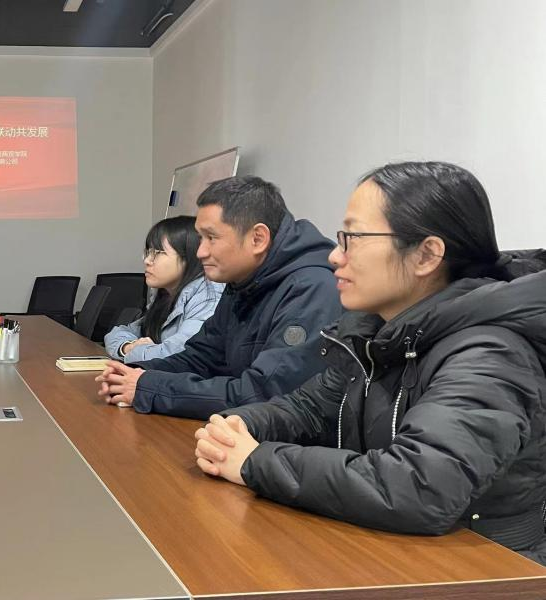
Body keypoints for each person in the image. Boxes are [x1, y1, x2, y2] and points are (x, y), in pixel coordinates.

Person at [194, 162, 546, 564]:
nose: (334, 256)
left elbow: (418, 486)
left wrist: (254, 462)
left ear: (426, 255)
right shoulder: (380, 334)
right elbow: (307, 408)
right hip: (393, 552)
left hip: (487, 571)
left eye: (354, 238)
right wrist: (239, 427)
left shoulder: (490, 354)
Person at [97, 176, 342, 419]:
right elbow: (202, 358)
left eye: (211, 238)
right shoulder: (243, 280)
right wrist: (134, 373)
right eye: (200, 238)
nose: (200, 252)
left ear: (257, 239)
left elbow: (264, 393)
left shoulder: (311, 289)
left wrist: (149, 388)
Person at [104, 216, 223, 362]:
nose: (147, 260)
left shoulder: (209, 296)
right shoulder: (165, 294)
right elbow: (119, 333)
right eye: (148, 252)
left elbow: (178, 355)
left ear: (191, 256)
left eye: (157, 253)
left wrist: (136, 351)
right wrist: (127, 347)